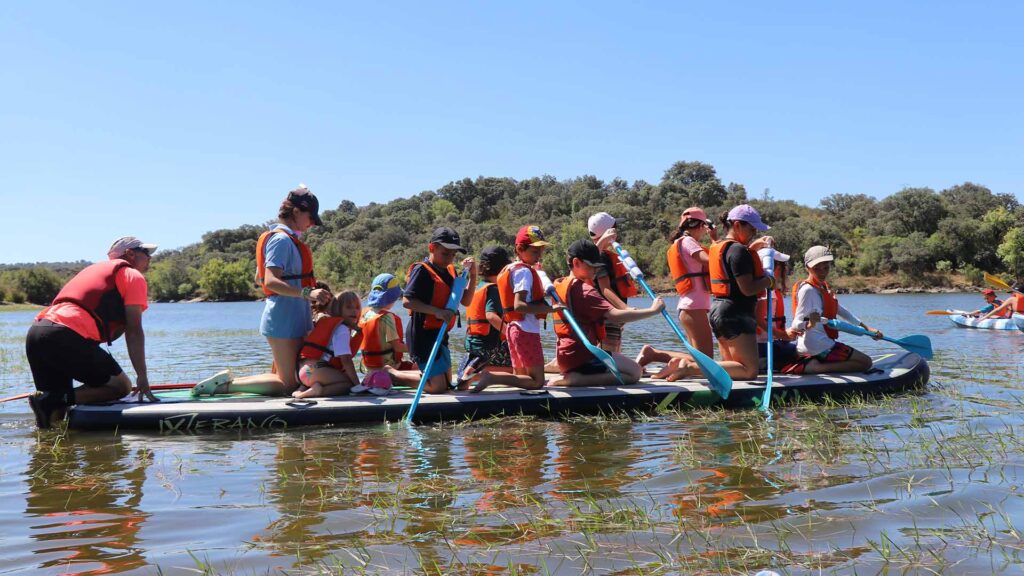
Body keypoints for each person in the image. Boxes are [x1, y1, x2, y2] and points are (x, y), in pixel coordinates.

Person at [193, 184, 331, 396]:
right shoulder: (281, 240)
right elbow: (269, 281)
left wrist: (301, 284)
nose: (312, 223)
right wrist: (306, 293)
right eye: (310, 217)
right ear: (296, 212)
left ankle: (225, 383)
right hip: (284, 319)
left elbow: (258, 277)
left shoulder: (286, 240)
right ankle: (225, 387)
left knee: (293, 376)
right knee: (288, 384)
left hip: (290, 315)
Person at [25, 236, 159, 428]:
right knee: (120, 386)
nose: (150, 258)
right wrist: (142, 377)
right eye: (146, 253)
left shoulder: (94, 271)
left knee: (55, 413)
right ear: (130, 254)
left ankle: (46, 449)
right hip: (63, 334)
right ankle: (52, 400)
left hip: (37, 333)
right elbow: (134, 331)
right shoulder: (132, 275)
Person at [551, 240, 665, 386]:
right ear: (576, 263)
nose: (595, 271)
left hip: (566, 358)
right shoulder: (586, 291)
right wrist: (652, 310)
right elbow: (614, 315)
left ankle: (574, 375)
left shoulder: (558, 285)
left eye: (597, 267)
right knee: (635, 372)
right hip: (583, 358)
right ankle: (577, 379)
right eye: (592, 266)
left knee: (621, 362)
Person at [473, 226, 560, 393]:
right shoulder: (524, 273)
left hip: (515, 329)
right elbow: (519, 305)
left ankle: (516, 398)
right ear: (520, 249)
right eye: (535, 252)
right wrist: (552, 309)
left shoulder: (514, 269)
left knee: (521, 376)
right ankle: (492, 377)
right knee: (537, 381)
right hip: (525, 330)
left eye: (540, 251)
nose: (539, 256)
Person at [782, 246, 881, 374]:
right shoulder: (808, 290)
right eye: (816, 268)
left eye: (826, 267)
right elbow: (796, 323)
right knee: (866, 363)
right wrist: (809, 324)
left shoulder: (822, 287)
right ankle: (814, 367)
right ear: (807, 268)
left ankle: (815, 362)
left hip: (818, 343)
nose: (822, 272)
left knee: (862, 361)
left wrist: (867, 328)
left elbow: (839, 309)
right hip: (816, 346)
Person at [403, 227, 477, 394]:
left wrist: (473, 276)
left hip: (440, 333)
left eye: (453, 255)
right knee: (438, 387)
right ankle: (391, 374)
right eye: (445, 253)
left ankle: (420, 374)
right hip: (421, 334)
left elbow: (466, 300)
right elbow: (407, 302)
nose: (449, 259)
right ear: (432, 248)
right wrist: (436, 311)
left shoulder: (450, 270)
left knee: (447, 384)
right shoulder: (421, 270)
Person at [455, 246, 514, 390]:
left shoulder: (479, 286)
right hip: (490, 345)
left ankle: (472, 369)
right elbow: (491, 316)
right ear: (502, 268)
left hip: (474, 343)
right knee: (519, 370)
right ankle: (479, 373)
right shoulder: (493, 289)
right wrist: (511, 334)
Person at [354, 273, 422, 395]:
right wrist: (418, 349)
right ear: (391, 298)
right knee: (424, 371)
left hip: (369, 369)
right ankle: (391, 378)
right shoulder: (387, 318)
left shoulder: (364, 314)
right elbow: (397, 347)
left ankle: (374, 379)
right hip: (389, 367)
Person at [292, 290, 363, 399]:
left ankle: (301, 390)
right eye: (348, 307)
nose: (354, 311)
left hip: (303, 372)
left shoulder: (327, 322)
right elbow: (346, 360)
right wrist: (358, 385)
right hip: (316, 370)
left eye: (357, 307)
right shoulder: (342, 329)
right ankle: (319, 390)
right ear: (337, 309)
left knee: (337, 378)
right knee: (348, 384)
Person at [666, 206, 716, 358]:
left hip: (690, 307)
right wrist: (716, 240)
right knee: (707, 359)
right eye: (704, 227)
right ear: (701, 226)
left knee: (700, 358)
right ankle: (656, 355)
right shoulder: (688, 241)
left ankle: (654, 355)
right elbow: (710, 262)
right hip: (694, 307)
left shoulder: (682, 242)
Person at [587, 212, 639, 354]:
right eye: (615, 228)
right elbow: (605, 289)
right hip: (609, 315)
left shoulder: (603, 255)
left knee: (614, 353)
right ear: (609, 231)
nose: (617, 231)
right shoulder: (602, 257)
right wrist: (625, 310)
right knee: (611, 356)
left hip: (613, 315)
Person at [754, 250, 801, 372]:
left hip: (764, 345)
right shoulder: (766, 292)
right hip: (762, 348)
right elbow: (759, 321)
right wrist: (783, 335)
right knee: (808, 351)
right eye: (781, 266)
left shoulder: (762, 289)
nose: (782, 270)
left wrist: (786, 334)